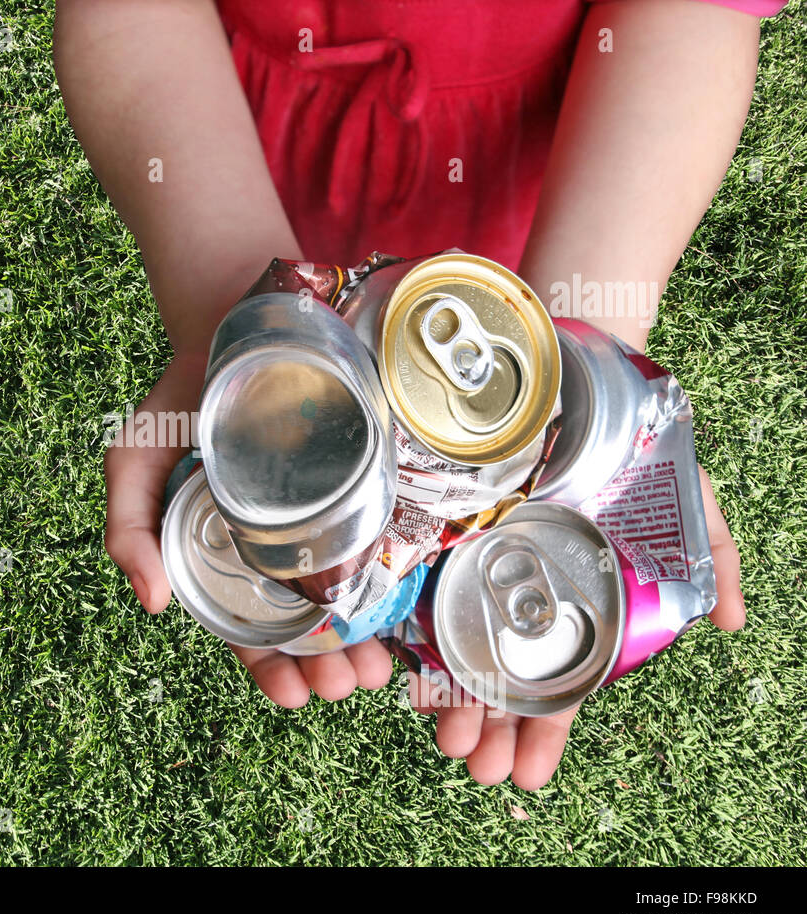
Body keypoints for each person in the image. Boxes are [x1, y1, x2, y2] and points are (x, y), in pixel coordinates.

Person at [55, 0, 780, 790]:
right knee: (410, 326)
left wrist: (582, 349)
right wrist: (229, 308)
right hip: (228, 141)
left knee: (466, 326)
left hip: (567, 160)